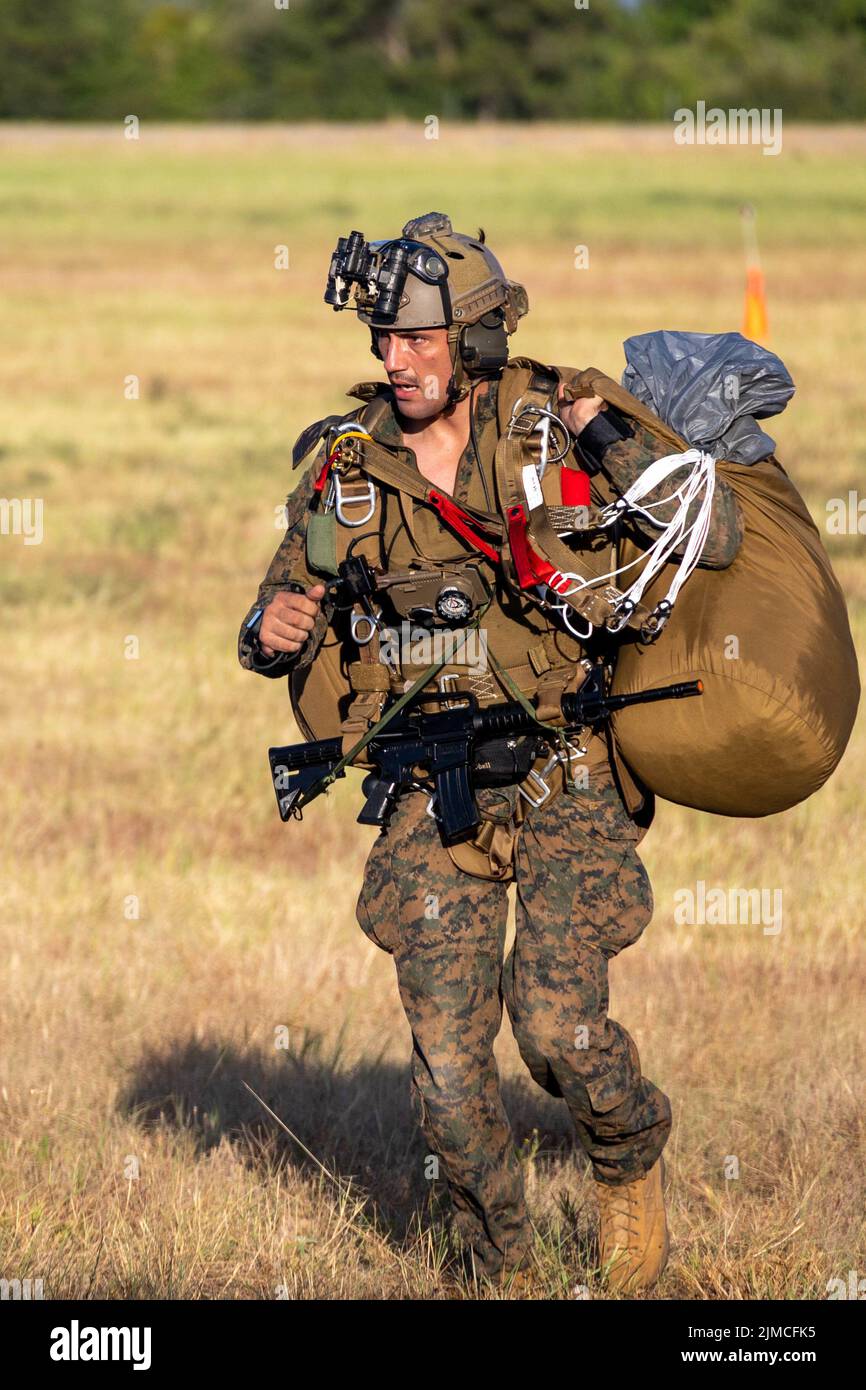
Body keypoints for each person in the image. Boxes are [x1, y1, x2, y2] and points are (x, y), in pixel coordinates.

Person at [238, 213, 743, 1294]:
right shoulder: (348, 467)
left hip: (565, 769)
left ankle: (625, 1151)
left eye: (414, 339)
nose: (392, 358)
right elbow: (278, 603)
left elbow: (710, 534)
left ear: (470, 341)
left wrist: (605, 431)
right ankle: (498, 1270)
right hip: (432, 787)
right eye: (382, 337)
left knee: (557, 1029)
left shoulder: (551, 424)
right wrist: (272, 623)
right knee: (452, 1097)